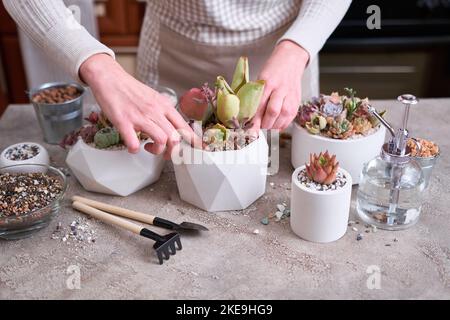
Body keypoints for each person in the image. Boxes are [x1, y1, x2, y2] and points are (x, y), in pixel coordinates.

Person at [3, 0, 351, 157]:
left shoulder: (292, 51)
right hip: (174, 48)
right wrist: (96, 66)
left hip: (285, 50)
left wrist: (297, 48)